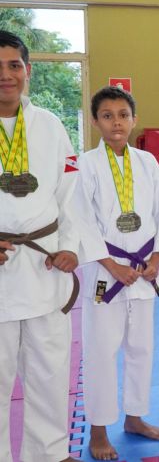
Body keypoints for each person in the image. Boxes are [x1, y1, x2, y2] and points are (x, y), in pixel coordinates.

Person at [72, 86, 159, 460]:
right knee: (101, 352)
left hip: (144, 271)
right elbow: (81, 221)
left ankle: (134, 417)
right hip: (106, 273)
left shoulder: (148, 163)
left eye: (122, 114)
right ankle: (98, 430)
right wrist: (111, 264)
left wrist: (157, 258)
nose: (116, 122)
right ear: (95, 120)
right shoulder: (85, 165)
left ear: (134, 119)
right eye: (107, 115)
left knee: (142, 348)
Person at [0, 30, 82, 462]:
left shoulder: (49, 125)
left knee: (50, 372)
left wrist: (72, 247)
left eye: (14, 65)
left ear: (27, 71)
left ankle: (49, 454)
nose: (6, 75)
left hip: (45, 264)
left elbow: (71, 193)